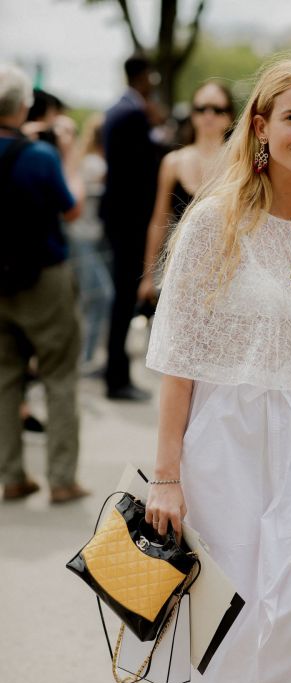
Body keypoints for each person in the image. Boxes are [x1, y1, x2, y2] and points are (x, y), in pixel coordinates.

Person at [144, 58, 291, 683]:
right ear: (261, 128)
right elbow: (177, 361)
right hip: (226, 439)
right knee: (227, 626)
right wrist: (168, 477)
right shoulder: (215, 223)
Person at [0, 63, 88, 503]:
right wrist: (69, 156)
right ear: (23, 107)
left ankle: (12, 476)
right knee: (59, 374)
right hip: (44, 277)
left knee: (4, 378)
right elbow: (71, 209)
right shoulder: (40, 156)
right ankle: (62, 479)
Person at [138, 81, 234, 303]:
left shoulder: (240, 163)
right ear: (192, 114)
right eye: (201, 109)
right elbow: (159, 219)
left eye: (217, 109)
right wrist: (148, 276)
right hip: (181, 269)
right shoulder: (173, 162)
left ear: (229, 115)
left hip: (227, 270)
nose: (208, 115)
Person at [101, 55, 159, 400]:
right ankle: (116, 377)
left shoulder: (114, 110)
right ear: (142, 76)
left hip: (116, 218)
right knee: (123, 299)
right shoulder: (134, 114)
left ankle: (116, 373)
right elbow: (142, 174)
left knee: (121, 299)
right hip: (130, 222)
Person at [66, 113, 114, 366]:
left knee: (89, 298)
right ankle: (85, 357)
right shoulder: (96, 165)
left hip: (90, 239)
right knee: (100, 295)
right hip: (84, 239)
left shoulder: (88, 161)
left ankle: (86, 354)